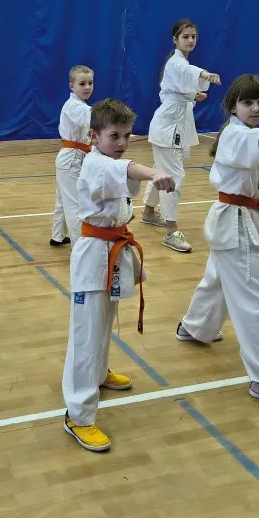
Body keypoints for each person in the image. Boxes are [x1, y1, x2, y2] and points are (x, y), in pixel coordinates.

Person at [177, 74, 259, 408]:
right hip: (234, 223)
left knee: (217, 280)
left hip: (237, 219)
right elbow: (257, 138)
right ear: (232, 106)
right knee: (257, 299)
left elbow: (258, 140)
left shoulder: (241, 131)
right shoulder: (235, 133)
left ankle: (194, 327)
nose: (255, 108)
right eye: (247, 102)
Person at [62, 98, 176, 452]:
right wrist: (153, 172)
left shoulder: (109, 162)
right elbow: (126, 169)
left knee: (104, 321)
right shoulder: (96, 163)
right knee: (86, 334)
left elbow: (122, 174)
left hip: (112, 248)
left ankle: (99, 374)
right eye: (115, 135)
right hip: (93, 254)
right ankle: (78, 415)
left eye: (127, 135)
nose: (123, 142)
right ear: (94, 136)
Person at [140, 19, 221, 253]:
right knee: (174, 175)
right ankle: (171, 231)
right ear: (175, 40)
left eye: (193, 36)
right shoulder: (176, 63)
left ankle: (148, 212)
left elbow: (181, 86)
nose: (191, 40)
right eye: (186, 36)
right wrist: (205, 74)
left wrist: (193, 95)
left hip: (172, 125)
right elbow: (187, 73)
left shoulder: (181, 63)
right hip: (168, 128)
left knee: (161, 169)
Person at [52, 65, 94, 246]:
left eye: (90, 83)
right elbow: (94, 117)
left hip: (72, 156)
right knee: (75, 205)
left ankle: (58, 235)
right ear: (72, 86)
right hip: (72, 158)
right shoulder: (75, 106)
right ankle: (79, 246)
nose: (87, 87)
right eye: (82, 84)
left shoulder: (79, 105)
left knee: (63, 200)